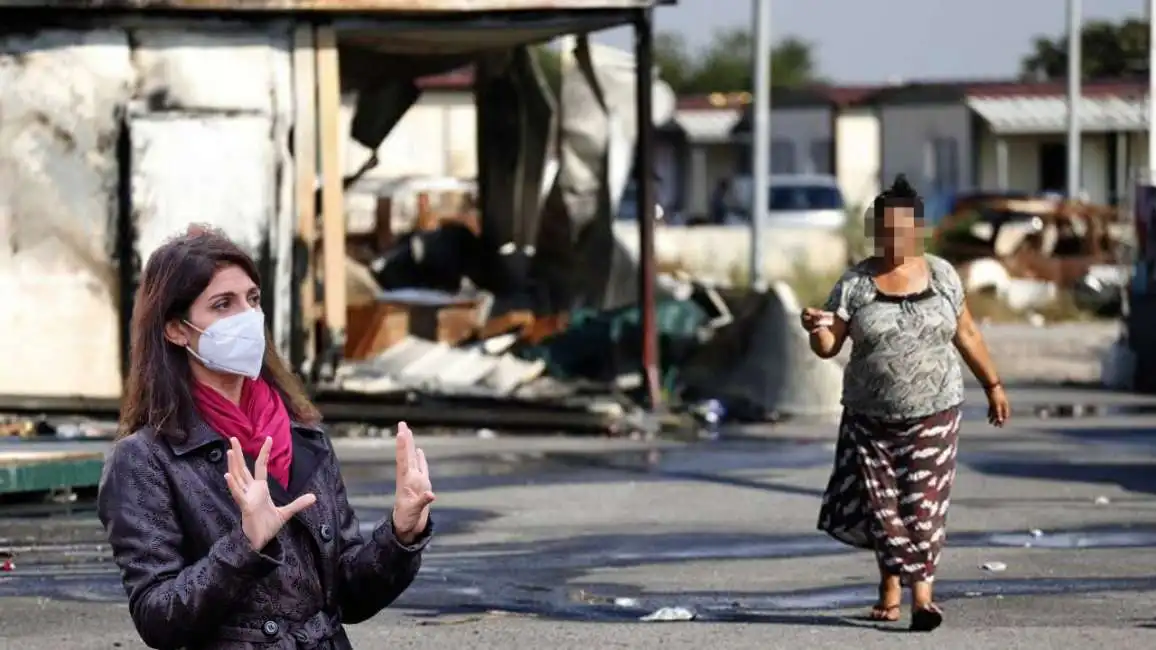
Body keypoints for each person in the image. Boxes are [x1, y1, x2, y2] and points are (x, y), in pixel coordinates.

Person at [97, 225, 436, 650]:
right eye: (223, 305)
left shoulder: (303, 433)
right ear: (176, 330)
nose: (246, 317)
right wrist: (245, 546)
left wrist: (400, 534)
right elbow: (158, 617)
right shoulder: (145, 459)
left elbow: (347, 597)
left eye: (252, 300)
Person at [800, 175, 1009, 632]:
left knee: (923, 504)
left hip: (936, 411)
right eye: (885, 230)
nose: (893, 239)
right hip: (870, 418)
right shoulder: (854, 283)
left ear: (919, 230)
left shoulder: (942, 275)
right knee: (885, 507)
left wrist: (992, 384)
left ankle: (923, 598)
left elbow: (967, 333)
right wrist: (817, 329)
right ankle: (889, 587)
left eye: (902, 230)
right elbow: (829, 347)